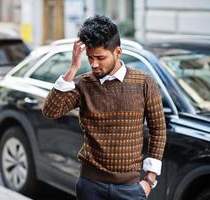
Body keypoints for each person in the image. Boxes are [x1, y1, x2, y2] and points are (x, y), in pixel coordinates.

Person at [42, 15, 166, 200]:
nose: (94, 64)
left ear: (118, 52)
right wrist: (73, 68)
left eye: (100, 57)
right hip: (90, 186)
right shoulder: (83, 84)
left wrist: (149, 180)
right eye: (90, 58)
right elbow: (50, 111)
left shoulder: (144, 82)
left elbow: (158, 129)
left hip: (130, 188)